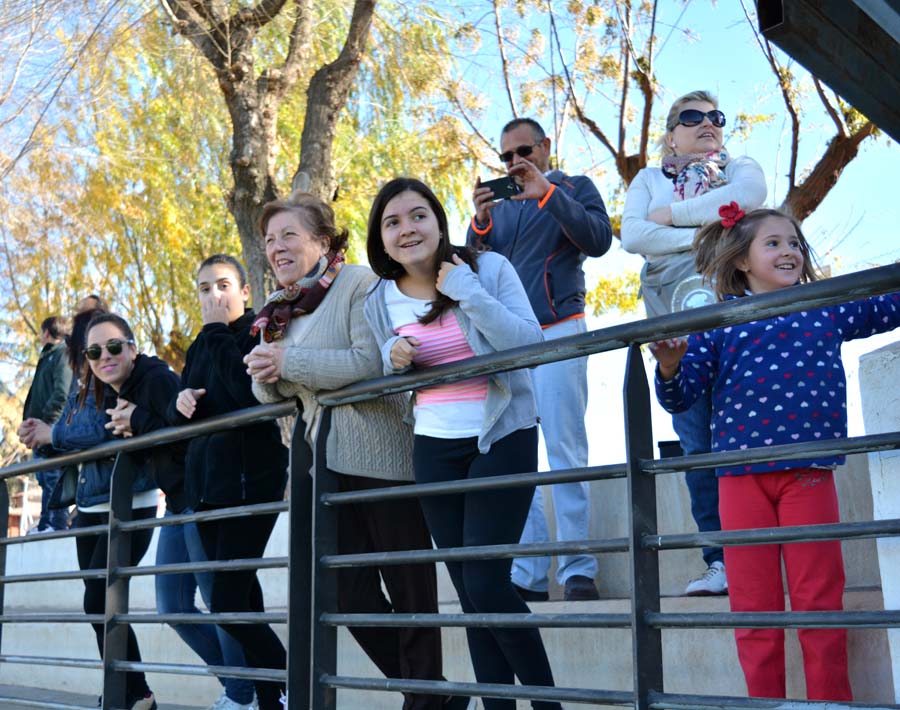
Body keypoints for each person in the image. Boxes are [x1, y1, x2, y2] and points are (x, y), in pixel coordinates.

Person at [651, 203, 900, 701]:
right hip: (739, 479)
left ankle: (830, 704)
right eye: (774, 243)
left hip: (809, 473)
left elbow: (885, 304)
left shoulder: (824, 304)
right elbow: (681, 397)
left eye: (795, 243)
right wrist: (671, 366)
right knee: (754, 608)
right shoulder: (718, 320)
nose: (789, 251)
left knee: (819, 603)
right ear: (742, 260)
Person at [245, 191, 467, 710]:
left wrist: (289, 364)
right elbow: (270, 390)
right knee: (345, 592)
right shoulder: (280, 307)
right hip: (324, 465)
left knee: (409, 588)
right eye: (270, 240)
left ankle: (425, 699)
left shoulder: (358, 284)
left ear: (323, 241)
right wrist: (270, 370)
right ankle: (432, 695)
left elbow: (369, 362)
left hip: (381, 454)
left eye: (289, 235)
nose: (277, 247)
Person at [366, 177, 560, 710]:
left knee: (487, 582)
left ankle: (549, 704)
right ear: (381, 239)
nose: (407, 229)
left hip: (502, 432)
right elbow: (384, 369)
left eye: (418, 215)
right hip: (434, 446)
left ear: (438, 220)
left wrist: (467, 291)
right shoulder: (380, 298)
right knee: (471, 594)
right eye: (392, 222)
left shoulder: (487, 268)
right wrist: (391, 358)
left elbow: (529, 344)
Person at [621, 90, 768, 595]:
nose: (707, 123)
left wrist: (670, 218)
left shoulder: (739, 167)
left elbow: (747, 200)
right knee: (698, 448)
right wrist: (713, 235)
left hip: (739, 329)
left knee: (751, 439)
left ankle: (766, 553)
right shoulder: (648, 180)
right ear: (670, 135)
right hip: (678, 337)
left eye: (715, 117)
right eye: (691, 117)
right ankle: (720, 560)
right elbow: (633, 236)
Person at [467, 117, 612, 602]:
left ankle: (577, 569)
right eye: (506, 156)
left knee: (564, 450)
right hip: (508, 343)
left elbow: (599, 240)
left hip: (558, 332)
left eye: (523, 152)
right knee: (515, 456)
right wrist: (480, 221)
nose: (515, 163)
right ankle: (527, 573)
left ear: (545, 147)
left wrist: (547, 193)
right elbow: (473, 269)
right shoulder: (500, 207)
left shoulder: (574, 187)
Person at [18, 308, 160, 710]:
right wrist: (40, 437)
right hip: (89, 506)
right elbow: (67, 437)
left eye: (107, 347)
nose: (100, 357)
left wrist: (55, 433)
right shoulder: (82, 389)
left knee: (101, 599)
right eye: (91, 351)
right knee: (97, 603)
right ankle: (128, 691)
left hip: (130, 501)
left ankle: (135, 692)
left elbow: (103, 429)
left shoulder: (127, 378)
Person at [165, 254, 287, 710]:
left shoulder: (259, 329)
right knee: (244, 599)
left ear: (244, 291)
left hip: (251, 480)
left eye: (222, 285)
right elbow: (195, 403)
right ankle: (271, 699)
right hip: (208, 487)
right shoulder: (202, 343)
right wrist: (180, 401)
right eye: (204, 288)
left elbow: (246, 393)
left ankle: (294, 681)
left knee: (228, 601)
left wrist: (217, 330)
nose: (213, 295)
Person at [19, 315, 72, 533]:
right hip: (39, 429)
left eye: (41, 332)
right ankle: (45, 524)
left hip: (52, 429)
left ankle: (56, 525)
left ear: (47, 332)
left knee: (53, 478)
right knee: (43, 477)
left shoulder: (62, 354)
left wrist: (46, 423)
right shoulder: (47, 356)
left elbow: (61, 393)